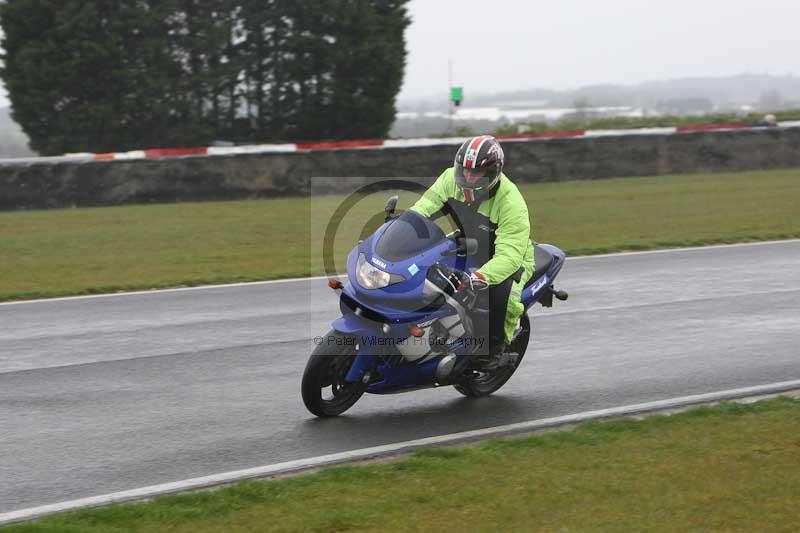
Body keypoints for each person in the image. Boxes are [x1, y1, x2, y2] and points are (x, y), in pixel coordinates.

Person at [409, 135, 535, 371]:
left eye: (476, 173)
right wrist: (402, 226)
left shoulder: (511, 202)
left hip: (507, 258)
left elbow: (509, 255)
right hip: (467, 244)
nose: (467, 177)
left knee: (503, 295)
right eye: (464, 170)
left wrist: (480, 277)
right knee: (422, 266)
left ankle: (494, 350)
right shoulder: (450, 179)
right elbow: (423, 209)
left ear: (493, 172)